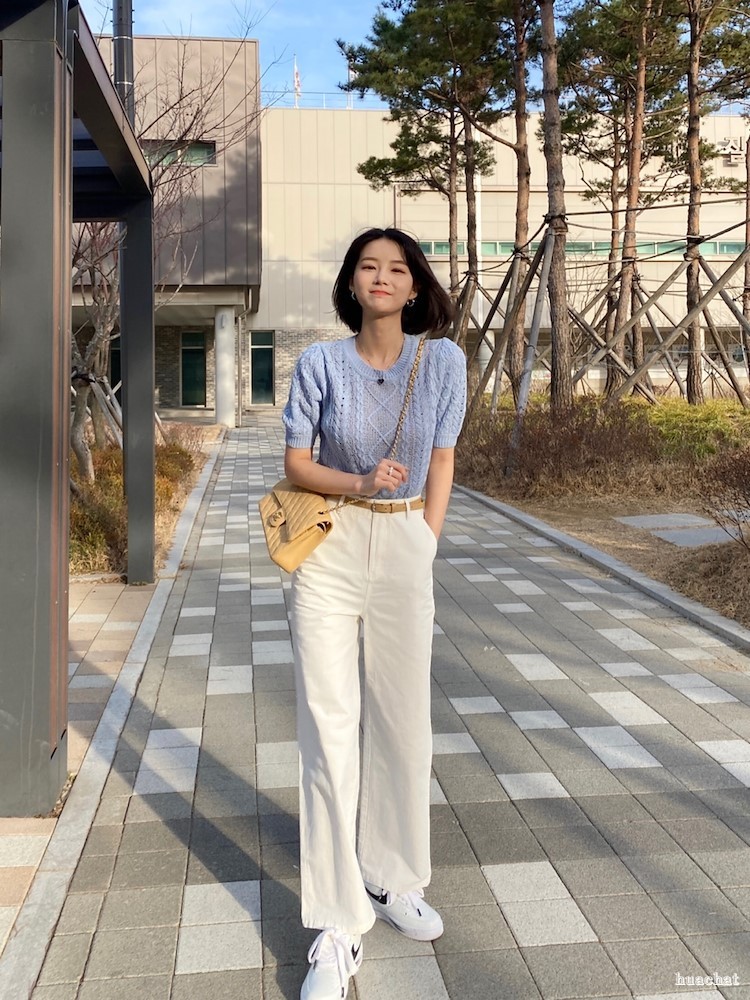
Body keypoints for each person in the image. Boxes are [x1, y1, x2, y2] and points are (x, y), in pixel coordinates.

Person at [282, 227, 467, 1000]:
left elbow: (443, 458)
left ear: (416, 286)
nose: (382, 277)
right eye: (368, 266)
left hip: (404, 541)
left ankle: (391, 878)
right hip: (329, 544)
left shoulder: (443, 362)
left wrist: (425, 541)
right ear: (352, 283)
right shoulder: (320, 364)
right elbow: (296, 463)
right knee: (328, 729)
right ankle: (336, 923)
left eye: (397, 268)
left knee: (402, 722)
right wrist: (358, 483)